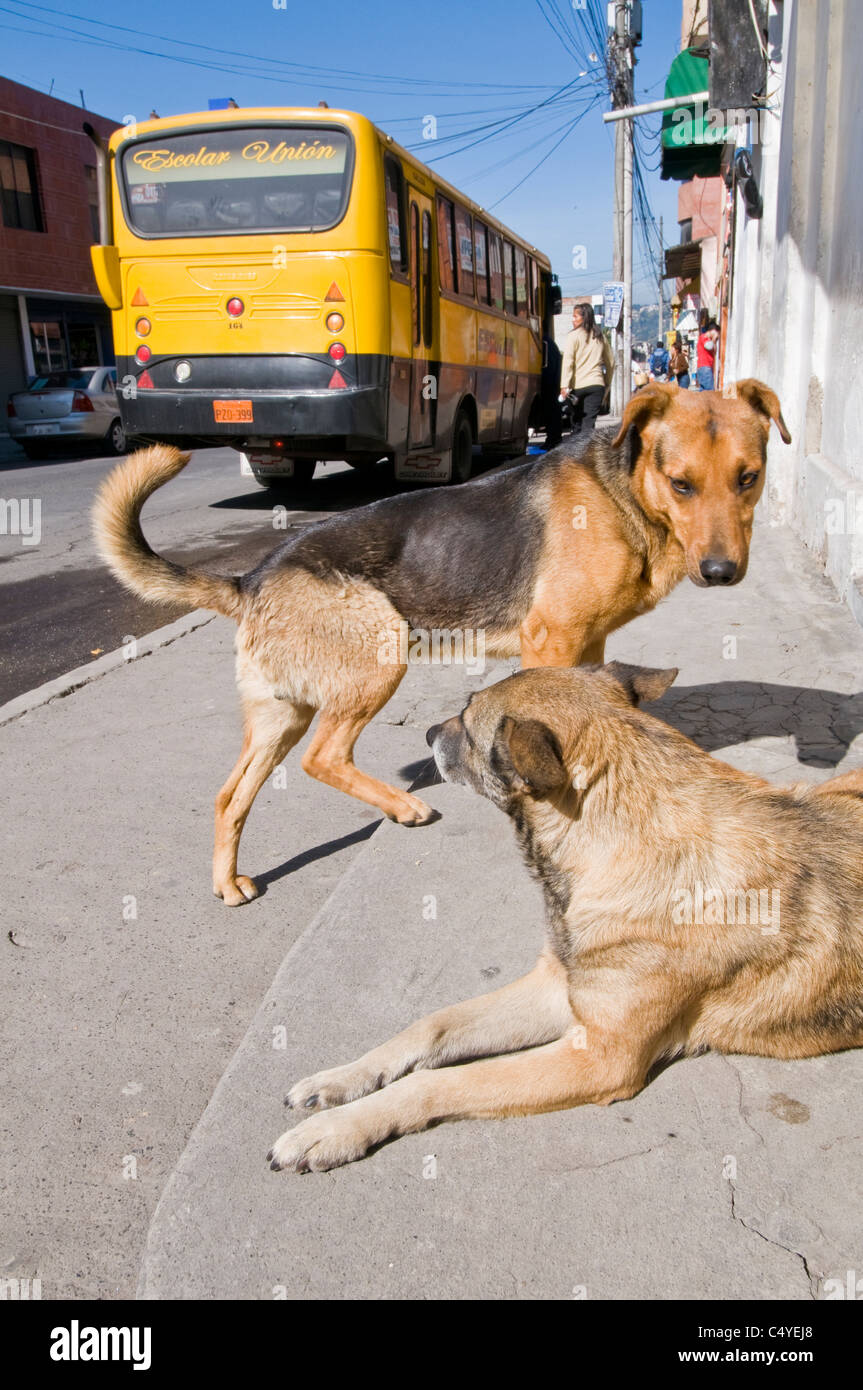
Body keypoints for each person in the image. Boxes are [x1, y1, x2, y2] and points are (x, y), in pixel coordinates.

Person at [560, 302, 614, 441]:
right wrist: (607, 382)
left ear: (584, 318)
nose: (573, 320)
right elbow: (610, 362)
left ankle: (577, 457)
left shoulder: (574, 336)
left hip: (577, 387)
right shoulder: (600, 336)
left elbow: (568, 362)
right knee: (589, 425)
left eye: (575, 316)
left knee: (577, 423)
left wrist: (564, 385)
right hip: (596, 385)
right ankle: (586, 457)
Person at [540, 329, 563, 449]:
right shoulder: (548, 342)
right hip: (554, 382)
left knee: (552, 412)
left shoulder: (545, 343)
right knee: (553, 412)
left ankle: (553, 439)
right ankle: (553, 438)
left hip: (551, 382)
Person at [696, 318, 718, 391]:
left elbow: (714, 351)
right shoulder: (704, 337)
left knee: (703, 392)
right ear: (712, 330)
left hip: (704, 367)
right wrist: (713, 340)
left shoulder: (707, 339)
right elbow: (709, 346)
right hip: (705, 367)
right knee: (709, 392)